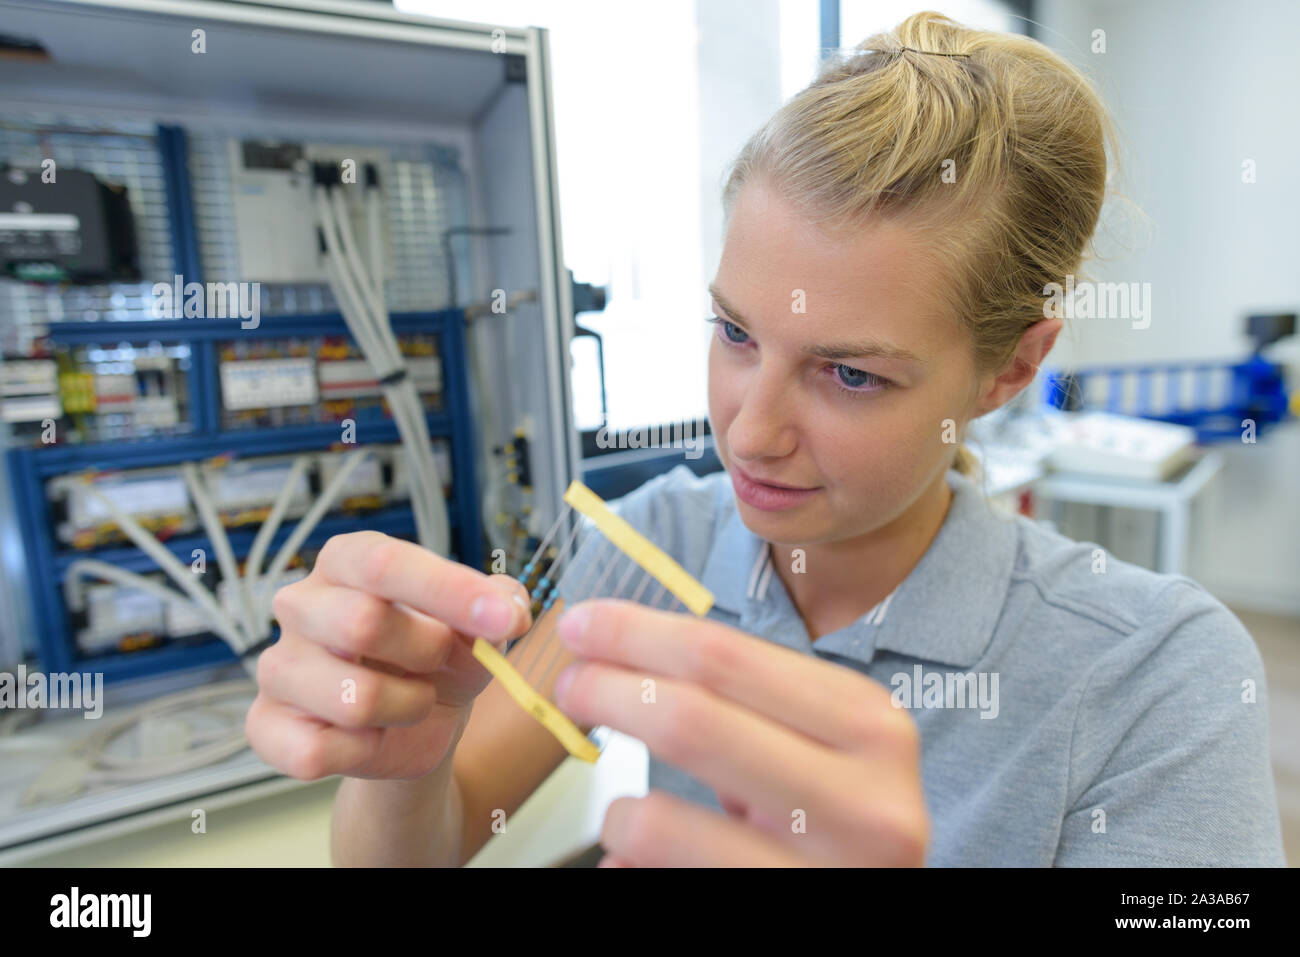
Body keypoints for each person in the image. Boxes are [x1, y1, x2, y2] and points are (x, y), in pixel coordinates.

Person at [244, 11, 1286, 867]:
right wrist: (404, 756)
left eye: (849, 374)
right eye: (735, 332)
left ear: (1009, 367)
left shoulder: (1159, 676)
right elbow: (436, 839)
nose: (748, 433)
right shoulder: (658, 546)